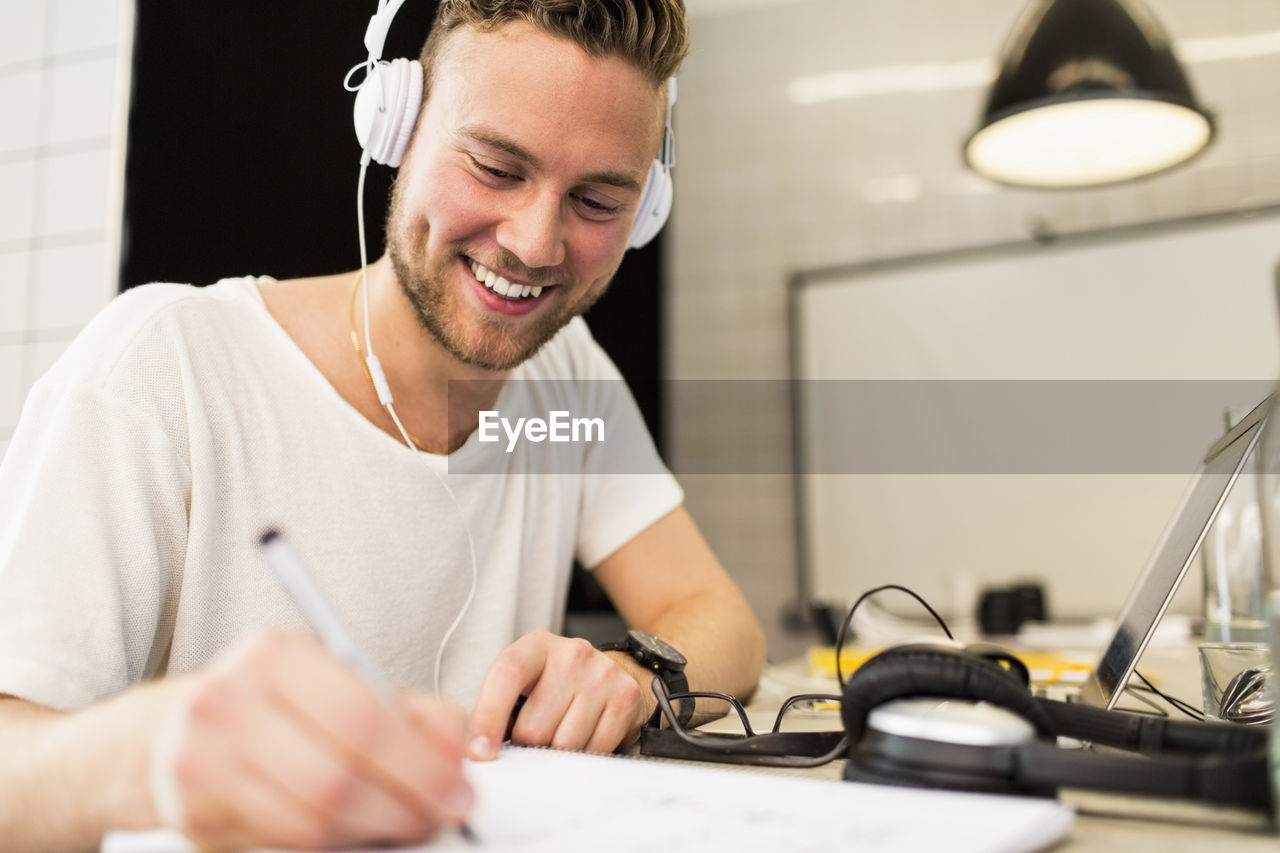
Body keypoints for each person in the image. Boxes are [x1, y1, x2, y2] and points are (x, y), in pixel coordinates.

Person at [0, 1, 766, 850]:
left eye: (595, 200)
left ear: (647, 207)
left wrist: (634, 675)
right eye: (495, 167)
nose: (535, 242)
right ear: (395, 123)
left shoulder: (567, 382)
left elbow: (719, 619)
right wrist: (145, 756)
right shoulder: (162, 369)